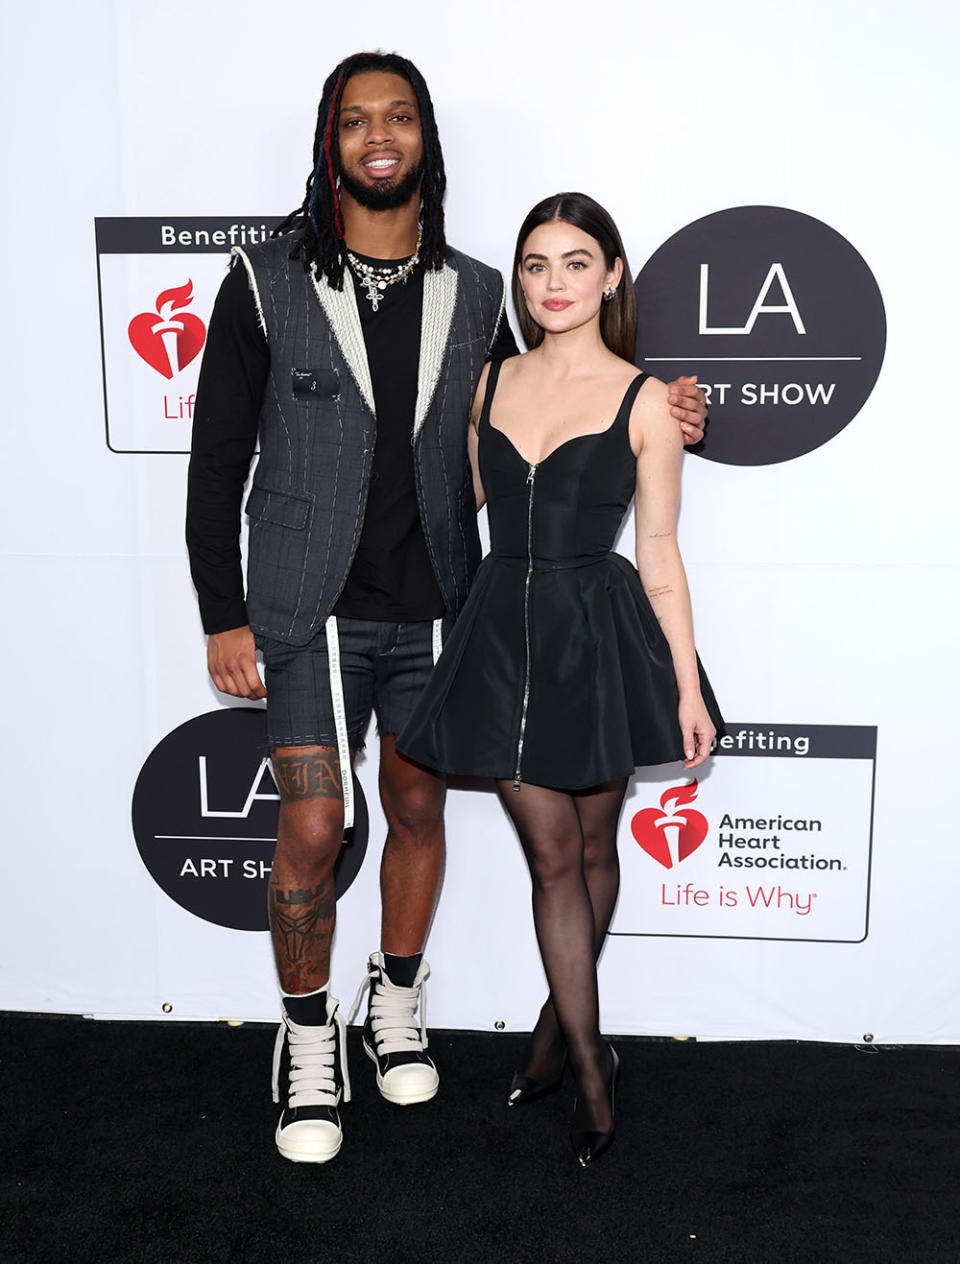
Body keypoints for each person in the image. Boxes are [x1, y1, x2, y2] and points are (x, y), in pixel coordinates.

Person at [186, 53, 708, 1165]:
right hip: (303, 606)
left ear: (427, 140)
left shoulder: (476, 291)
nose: (379, 135)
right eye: (355, 119)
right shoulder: (261, 277)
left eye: (400, 116)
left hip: (443, 607)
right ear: (329, 143)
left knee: (419, 812)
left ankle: (400, 995)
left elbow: (561, 399)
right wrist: (218, 609)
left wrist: (671, 402)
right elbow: (215, 454)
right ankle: (307, 1038)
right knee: (319, 823)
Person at [398, 192, 723, 1167]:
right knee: (553, 856)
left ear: (612, 274)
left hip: (599, 632)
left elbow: (659, 551)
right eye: (536, 264)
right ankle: (590, 1067)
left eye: (577, 263)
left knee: (593, 844)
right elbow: (468, 514)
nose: (554, 283)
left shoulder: (651, 399)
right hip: (500, 634)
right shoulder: (485, 383)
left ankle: (551, 1023)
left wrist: (686, 688)